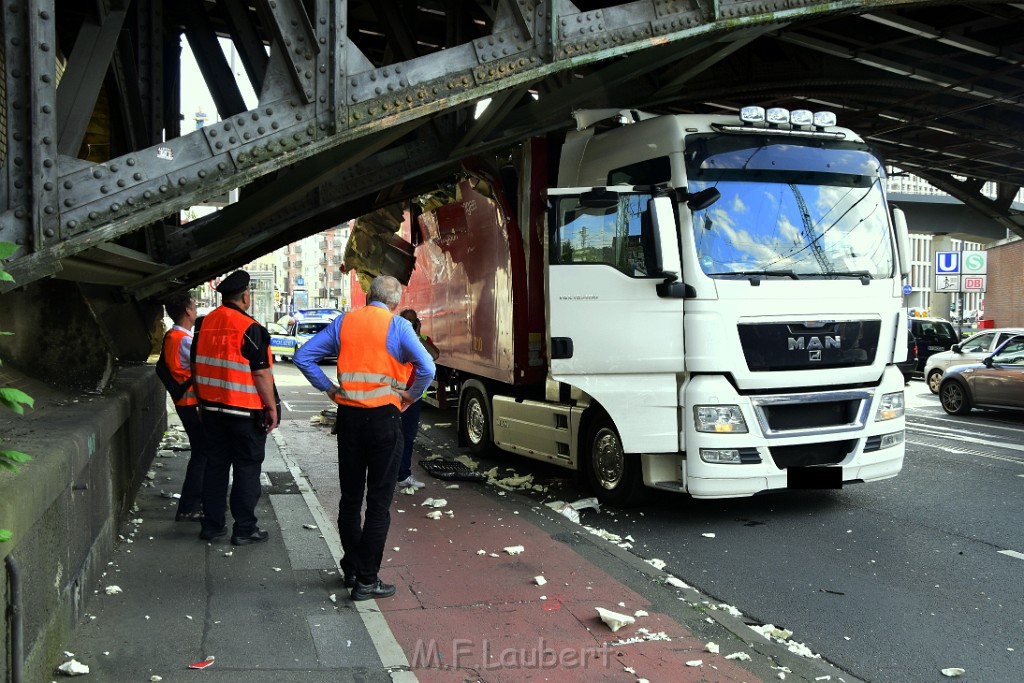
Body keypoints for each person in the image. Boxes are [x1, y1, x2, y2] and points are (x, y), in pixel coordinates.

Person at [294, 275, 435, 601]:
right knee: (378, 504)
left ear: (368, 296)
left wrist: (329, 388)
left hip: (350, 420)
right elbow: (427, 367)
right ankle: (367, 580)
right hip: (385, 419)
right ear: (395, 302)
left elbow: (303, 357)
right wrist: (411, 396)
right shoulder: (398, 326)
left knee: (351, 498)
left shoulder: (344, 322)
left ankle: (353, 567)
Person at [191, 270, 279, 546]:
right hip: (244, 413)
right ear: (244, 296)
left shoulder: (204, 324)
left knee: (215, 467)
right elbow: (261, 374)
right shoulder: (250, 328)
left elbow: (195, 366)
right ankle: (244, 529)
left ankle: (212, 525)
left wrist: (202, 402)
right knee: (246, 468)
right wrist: (271, 407)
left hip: (212, 411)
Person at [160, 292, 205, 521]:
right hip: (191, 402)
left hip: (182, 401)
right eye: (194, 305)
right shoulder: (185, 340)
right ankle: (189, 506)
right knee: (202, 454)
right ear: (187, 311)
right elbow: (201, 368)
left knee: (200, 453)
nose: (196, 309)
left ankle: (193, 504)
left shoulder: (172, 336)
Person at [396, 309, 440, 489]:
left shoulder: (420, 339)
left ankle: (403, 475)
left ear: (417, 323)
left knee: (408, 436)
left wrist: (416, 336)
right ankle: (387, 475)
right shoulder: (394, 337)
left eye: (412, 321)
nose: (409, 324)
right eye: (405, 321)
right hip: (394, 392)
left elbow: (435, 355)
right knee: (388, 436)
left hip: (412, 397)